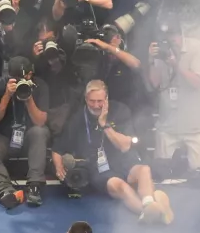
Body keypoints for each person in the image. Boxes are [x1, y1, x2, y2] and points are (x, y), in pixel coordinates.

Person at [52, 80, 173, 223]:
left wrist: (104, 125)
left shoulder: (121, 110)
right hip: (99, 167)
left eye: (100, 101)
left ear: (106, 99)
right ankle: (148, 211)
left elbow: (124, 146)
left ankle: (149, 204)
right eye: (92, 101)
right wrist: (59, 167)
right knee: (120, 186)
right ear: (86, 99)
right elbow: (58, 148)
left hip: (124, 159)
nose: (96, 105)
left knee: (144, 170)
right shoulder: (78, 118)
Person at [146, 25, 200, 178]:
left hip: (197, 127)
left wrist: (176, 66)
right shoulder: (161, 51)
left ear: (181, 34)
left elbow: (197, 82)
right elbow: (154, 83)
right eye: (168, 36)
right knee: (161, 175)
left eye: (174, 35)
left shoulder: (197, 48)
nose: (171, 40)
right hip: (168, 127)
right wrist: (151, 60)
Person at [0, 56, 50, 209]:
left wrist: (28, 98)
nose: (19, 81)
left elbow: (40, 121)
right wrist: (7, 95)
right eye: (15, 78)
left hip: (29, 135)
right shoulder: (2, 84)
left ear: (30, 74)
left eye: (23, 77)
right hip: (6, 135)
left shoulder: (41, 86)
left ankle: (34, 185)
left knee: (40, 132)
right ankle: (5, 189)